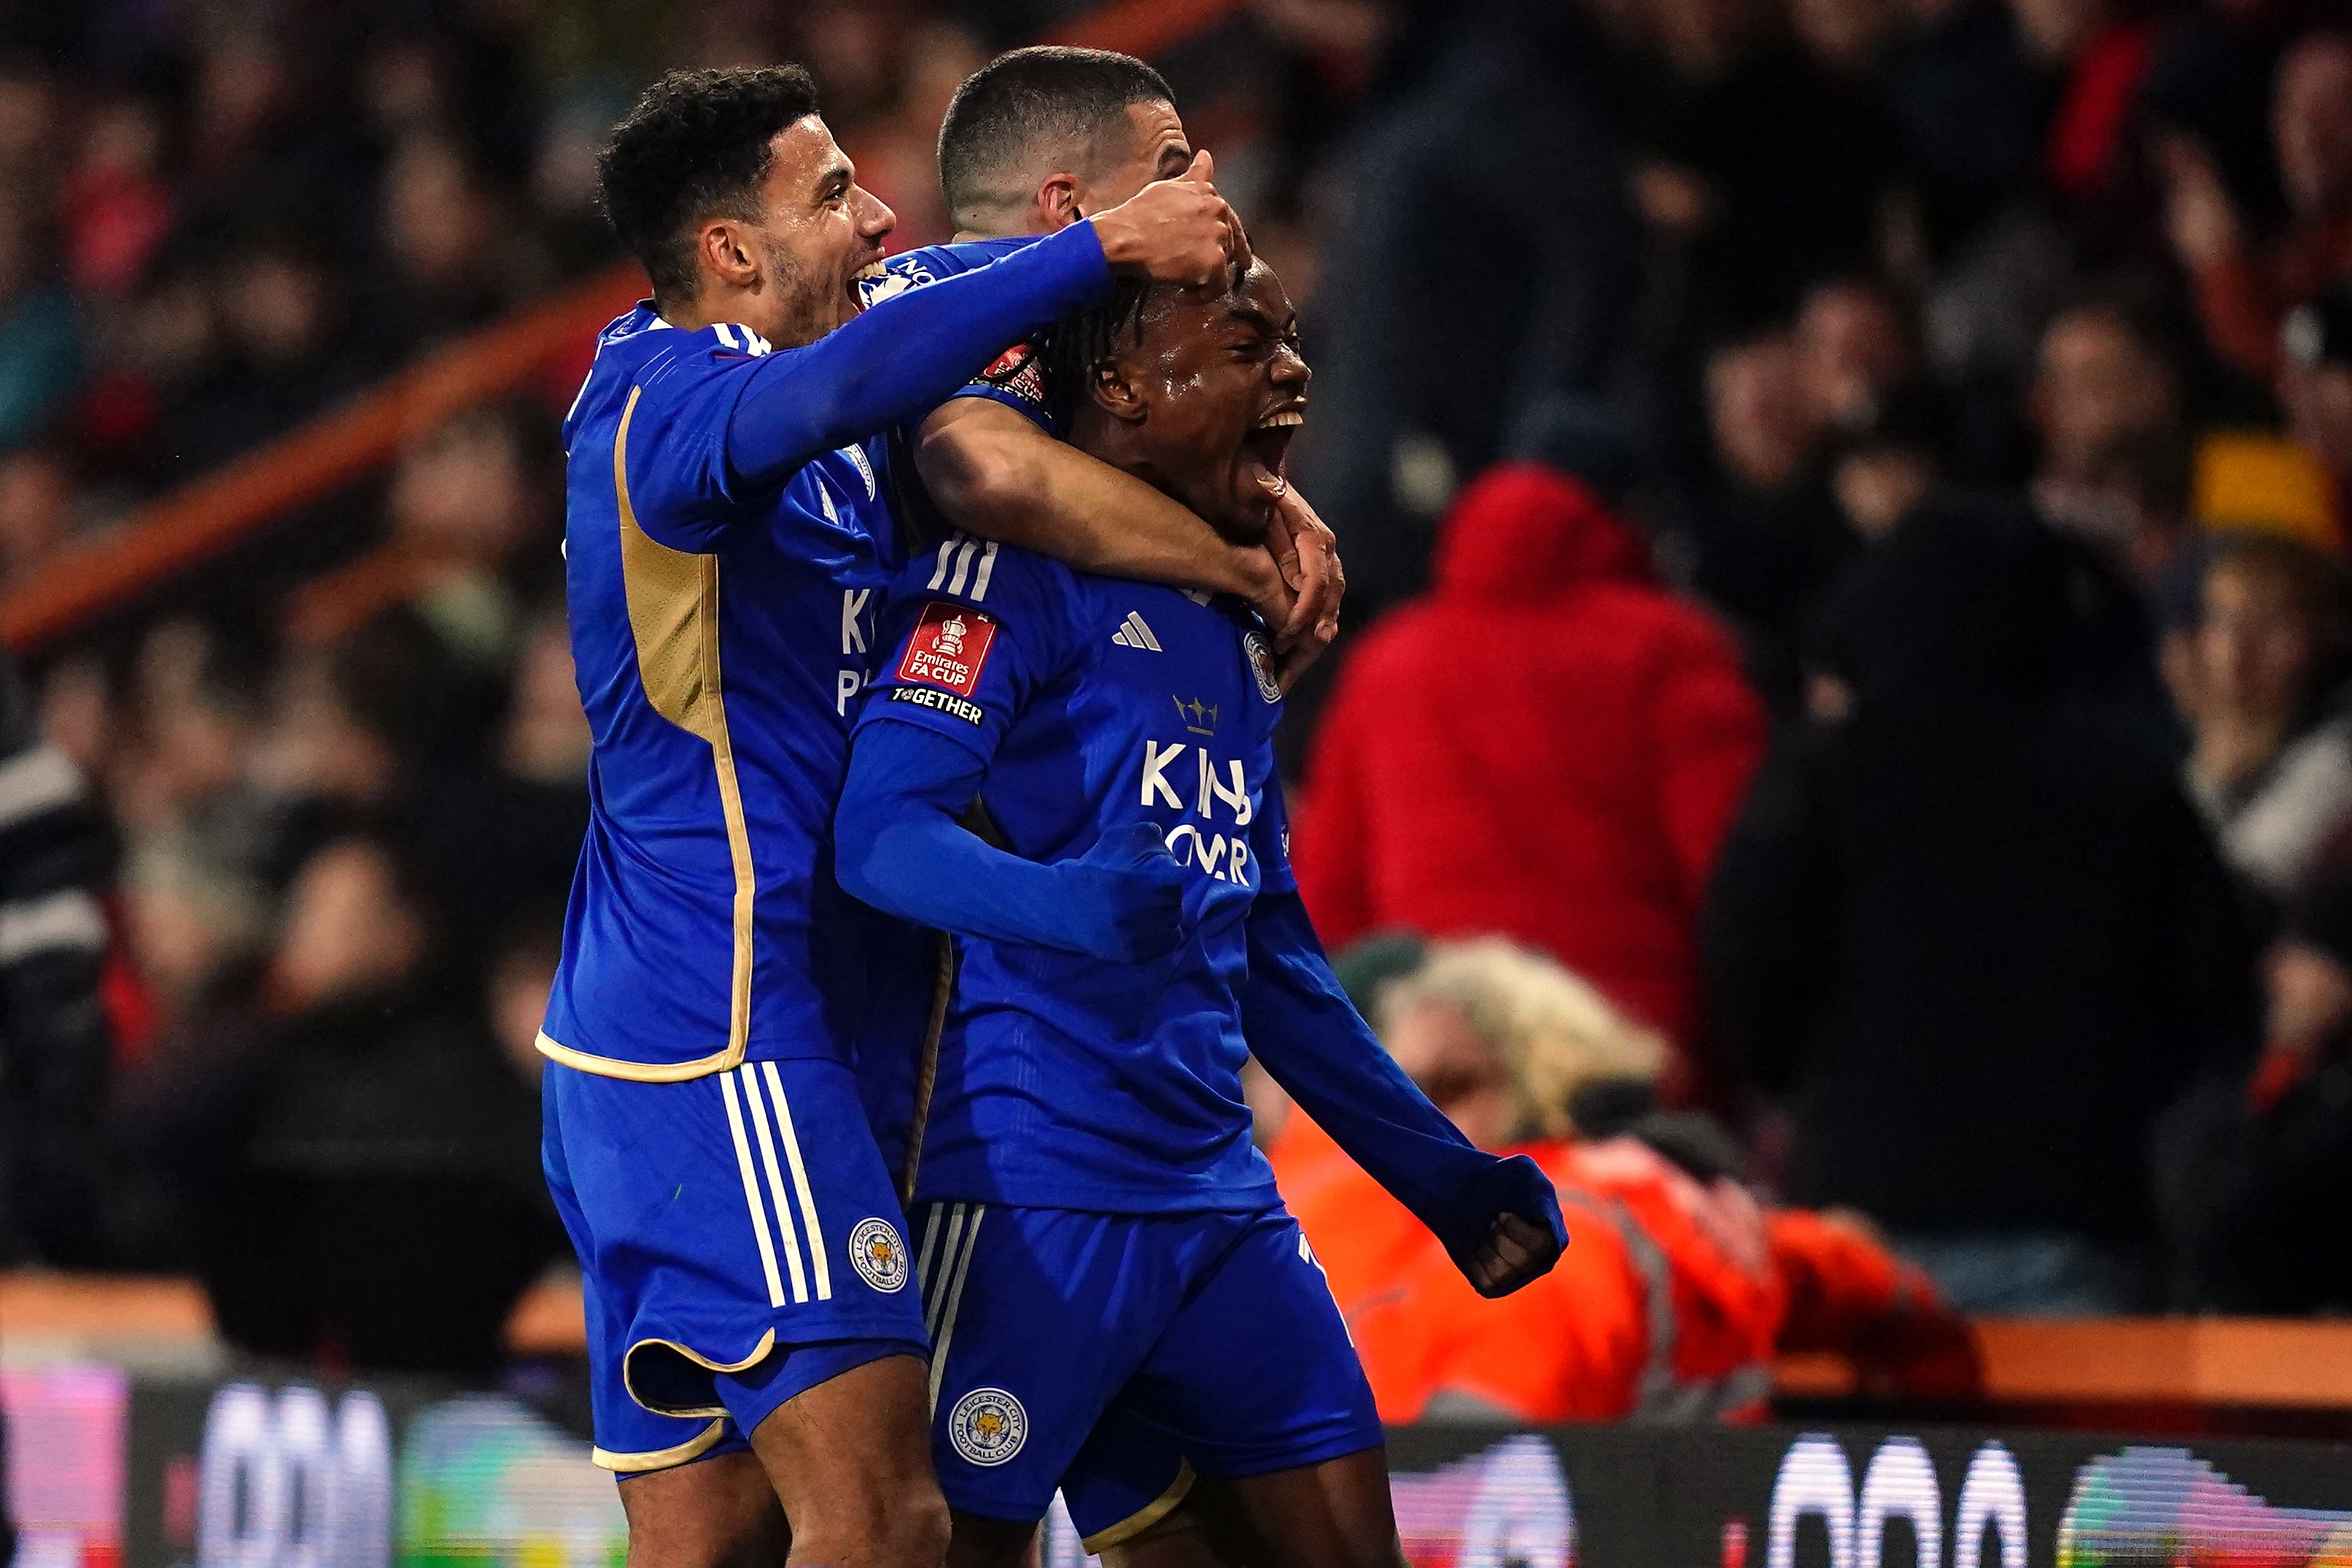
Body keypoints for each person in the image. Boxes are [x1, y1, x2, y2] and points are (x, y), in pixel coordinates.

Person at [537, 64, 1248, 1568]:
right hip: (722, 1033)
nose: (875, 222)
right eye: (832, 197)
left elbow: (925, 290)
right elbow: (855, 374)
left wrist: (1249, 496)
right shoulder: (662, 410)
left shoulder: (824, 385)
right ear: (732, 253)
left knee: (719, 1535)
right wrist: (1105, 246)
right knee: (885, 1513)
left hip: (738, 1045)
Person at [833, 257, 1561, 1567]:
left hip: (1220, 1207)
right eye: (1244, 339)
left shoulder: (1230, 619)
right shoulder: (1003, 580)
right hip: (1020, 1203)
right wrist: (1069, 908)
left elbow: (1268, 946)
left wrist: (1436, 1174)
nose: (1292, 368)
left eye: (1289, 340)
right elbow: (878, 835)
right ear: (1120, 382)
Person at [1705, 502, 2256, 1313]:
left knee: (1869, 1446)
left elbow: (1745, 964)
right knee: (2078, 1447)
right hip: (2078, 1212)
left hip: (1867, 1207)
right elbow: (2214, 994)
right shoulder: (2129, 781)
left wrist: (1819, 1086)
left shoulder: (1828, 775)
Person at [1276, 937, 1974, 1424]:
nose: (1415, 1115)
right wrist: (1915, 1319)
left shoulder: (1552, 1237)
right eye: (1397, 1090)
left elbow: (1469, 1478)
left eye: (1448, 1086)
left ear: (1544, 1080)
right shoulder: (1671, 1204)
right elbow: (1831, 1266)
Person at [1291, 403, 1766, 1074]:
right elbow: (1735, 890)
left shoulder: (1387, 662)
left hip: (1438, 1071)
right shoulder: (1676, 649)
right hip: (1626, 1063)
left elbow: (1328, 900)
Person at [864, 47, 1343, 676]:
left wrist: (1270, 498)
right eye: (1170, 178)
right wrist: (1243, 569)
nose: (1205, 201)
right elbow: (994, 474)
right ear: (1070, 209)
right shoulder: (940, 292)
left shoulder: (1054, 330)